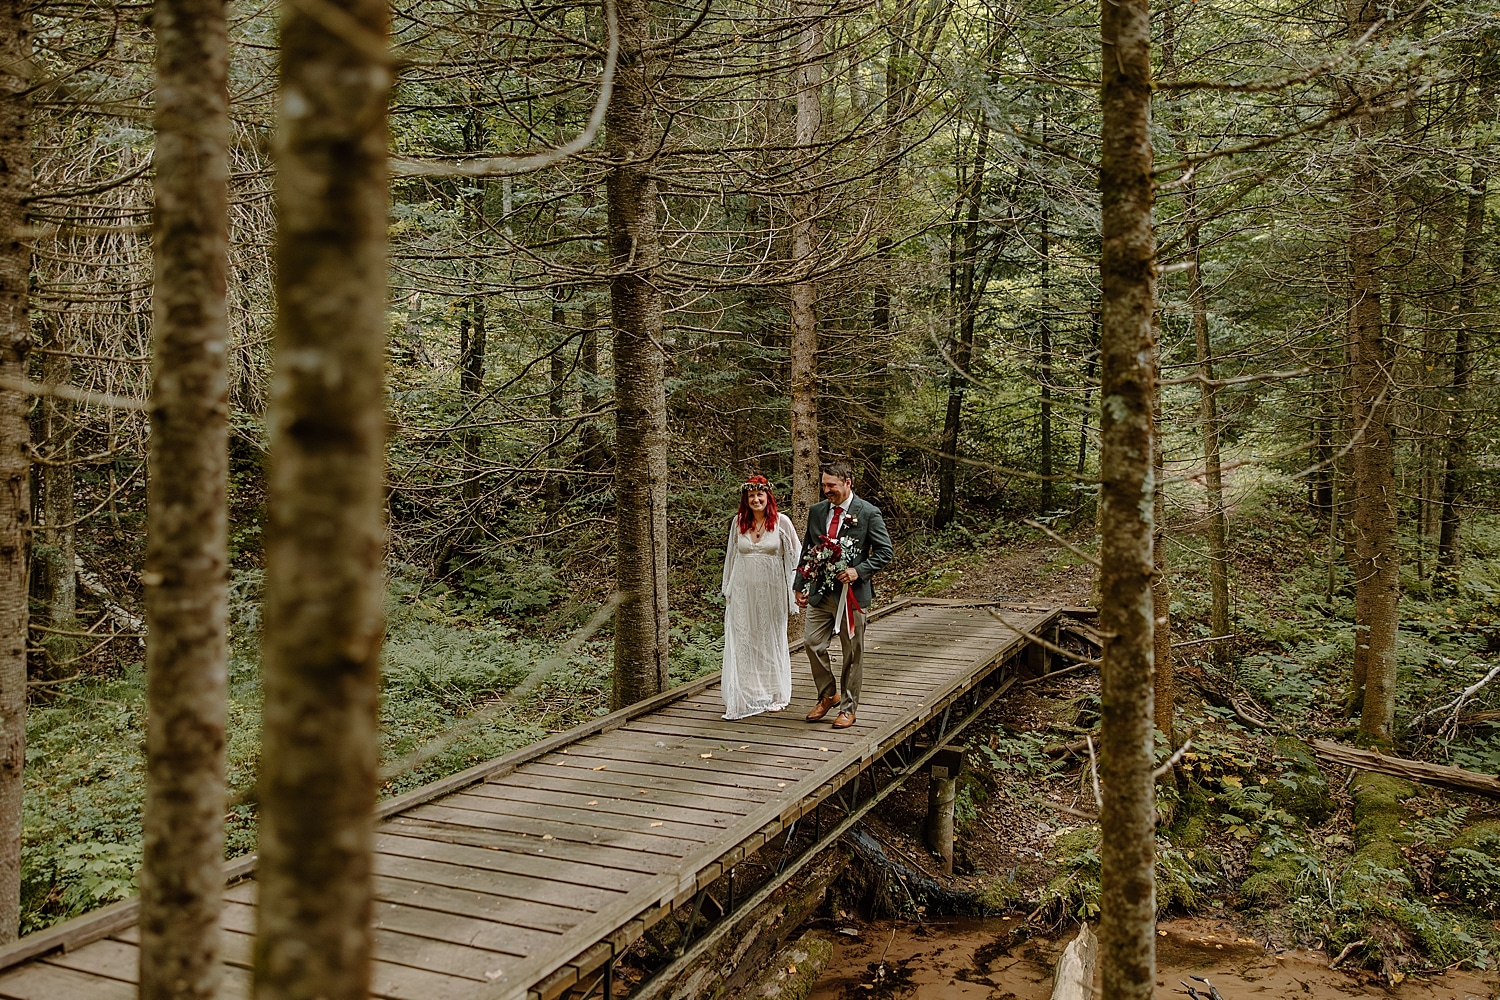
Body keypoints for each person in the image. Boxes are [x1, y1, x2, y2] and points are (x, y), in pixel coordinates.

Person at [794, 459, 894, 729]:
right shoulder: (817, 512)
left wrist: (858, 571)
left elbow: (885, 553)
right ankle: (828, 694)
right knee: (812, 644)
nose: (827, 490)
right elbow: (807, 550)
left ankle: (849, 708)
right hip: (819, 593)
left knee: (852, 653)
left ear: (847, 483)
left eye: (832, 485)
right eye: (824, 485)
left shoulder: (869, 513)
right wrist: (799, 584)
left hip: (851, 596)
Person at [719, 476, 802, 720]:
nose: (756, 499)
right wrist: (729, 589)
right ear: (746, 500)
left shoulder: (782, 522)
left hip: (772, 590)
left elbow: (795, 558)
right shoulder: (739, 523)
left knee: (771, 637)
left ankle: (776, 693)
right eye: (751, 496)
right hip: (744, 589)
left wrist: (794, 591)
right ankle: (748, 693)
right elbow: (732, 557)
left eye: (760, 495)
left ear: (768, 498)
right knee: (745, 637)